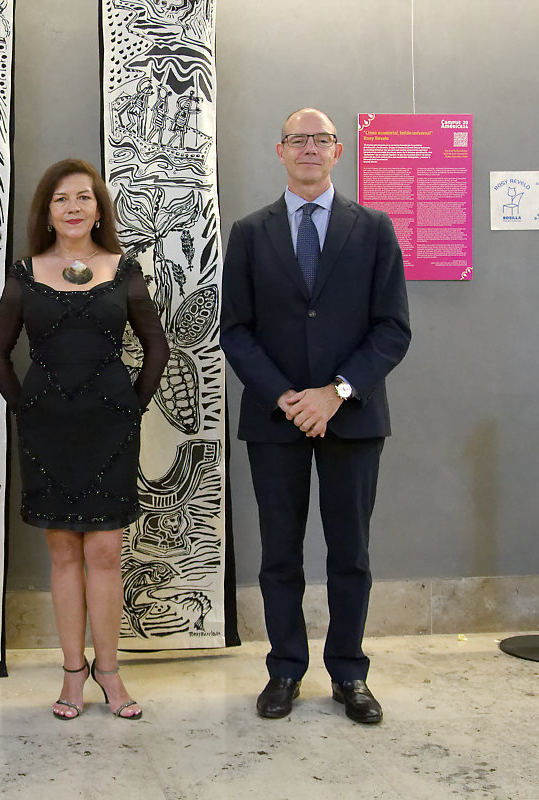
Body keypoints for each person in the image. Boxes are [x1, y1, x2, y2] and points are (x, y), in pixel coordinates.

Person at [220, 108, 411, 724]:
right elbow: (237, 331)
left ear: (338, 152)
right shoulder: (250, 233)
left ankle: (350, 674)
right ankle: (284, 670)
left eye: (321, 140)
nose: (309, 148)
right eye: (298, 139)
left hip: (353, 419)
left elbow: (392, 329)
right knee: (279, 554)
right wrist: (288, 398)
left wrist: (335, 393)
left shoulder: (375, 228)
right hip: (275, 421)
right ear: (280, 151)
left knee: (350, 553)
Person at [0, 159, 170, 720]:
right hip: (48, 429)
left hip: (110, 426)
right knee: (63, 552)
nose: (73, 207)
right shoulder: (24, 272)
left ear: (98, 208)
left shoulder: (125, 268)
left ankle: (109, 672)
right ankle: (71, 673)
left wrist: (129, 406)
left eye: (84, 198)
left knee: (107, 550)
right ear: (47, 211)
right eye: (61, 198)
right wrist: (27, 407)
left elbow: (156, 347)